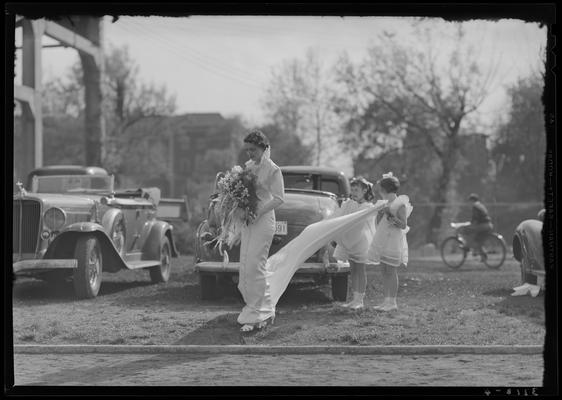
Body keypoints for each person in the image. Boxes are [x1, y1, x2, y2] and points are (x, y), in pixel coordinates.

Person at [237, 129, 285, 333]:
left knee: (256, 265)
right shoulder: (248, 167)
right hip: (249, 221)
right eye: (247, 149)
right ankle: (253, 308)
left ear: (264, 148)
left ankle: (263, 311)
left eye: (253, 149)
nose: (249, 153)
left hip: (264, 220)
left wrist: (258, 211)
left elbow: (279, 198)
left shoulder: (273, 169)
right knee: (246, 265)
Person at [368, 172, 413, 312]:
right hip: (383, 239)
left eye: (380, 189)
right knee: (383, 270)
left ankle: (392, 302)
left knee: (391, 271)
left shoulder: (400, 204)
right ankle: (386, 301)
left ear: (385, 189)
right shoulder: (385, 203)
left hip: (393, 240)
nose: (379, 192)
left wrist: (389, 214)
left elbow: (403, 225)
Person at [330, 177, 376, 310]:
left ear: (365, 190)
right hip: (349, 241)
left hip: (361, 242)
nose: (354, 192)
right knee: (353, 269)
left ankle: (359, 300)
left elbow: (365, 223)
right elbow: (339, 217)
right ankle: (354, 299)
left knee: (360, 270)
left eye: (357, 190)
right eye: (352, 190)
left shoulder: (368, 207)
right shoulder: (349, 204)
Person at [462, 193, 493, 261]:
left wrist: (470, 225)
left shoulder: (475, 206)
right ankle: (482, 254)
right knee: (477, 240)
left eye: (469, 201)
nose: (469, 203)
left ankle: (467, 247)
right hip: (488, 225)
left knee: (467, 231)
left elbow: (476, 219)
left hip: (483, 225)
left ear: (472, 200)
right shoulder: (480, 205)